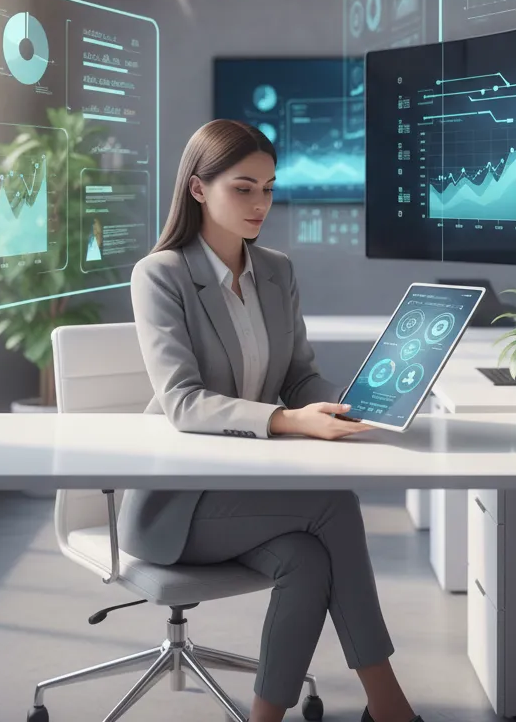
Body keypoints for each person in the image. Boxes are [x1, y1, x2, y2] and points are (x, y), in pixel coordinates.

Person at [119, 119, 423, 722]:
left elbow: (301, 377)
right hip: (178, 506)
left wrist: (354, 404)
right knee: (334, 505)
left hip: (247, 492)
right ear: (199, 188)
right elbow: (183, 401)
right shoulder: (161, 275)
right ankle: (389, 706)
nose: (260, 203)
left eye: (268, 188)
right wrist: (290, 421)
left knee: (307, 562)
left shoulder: (277, 271)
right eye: (243, 188)